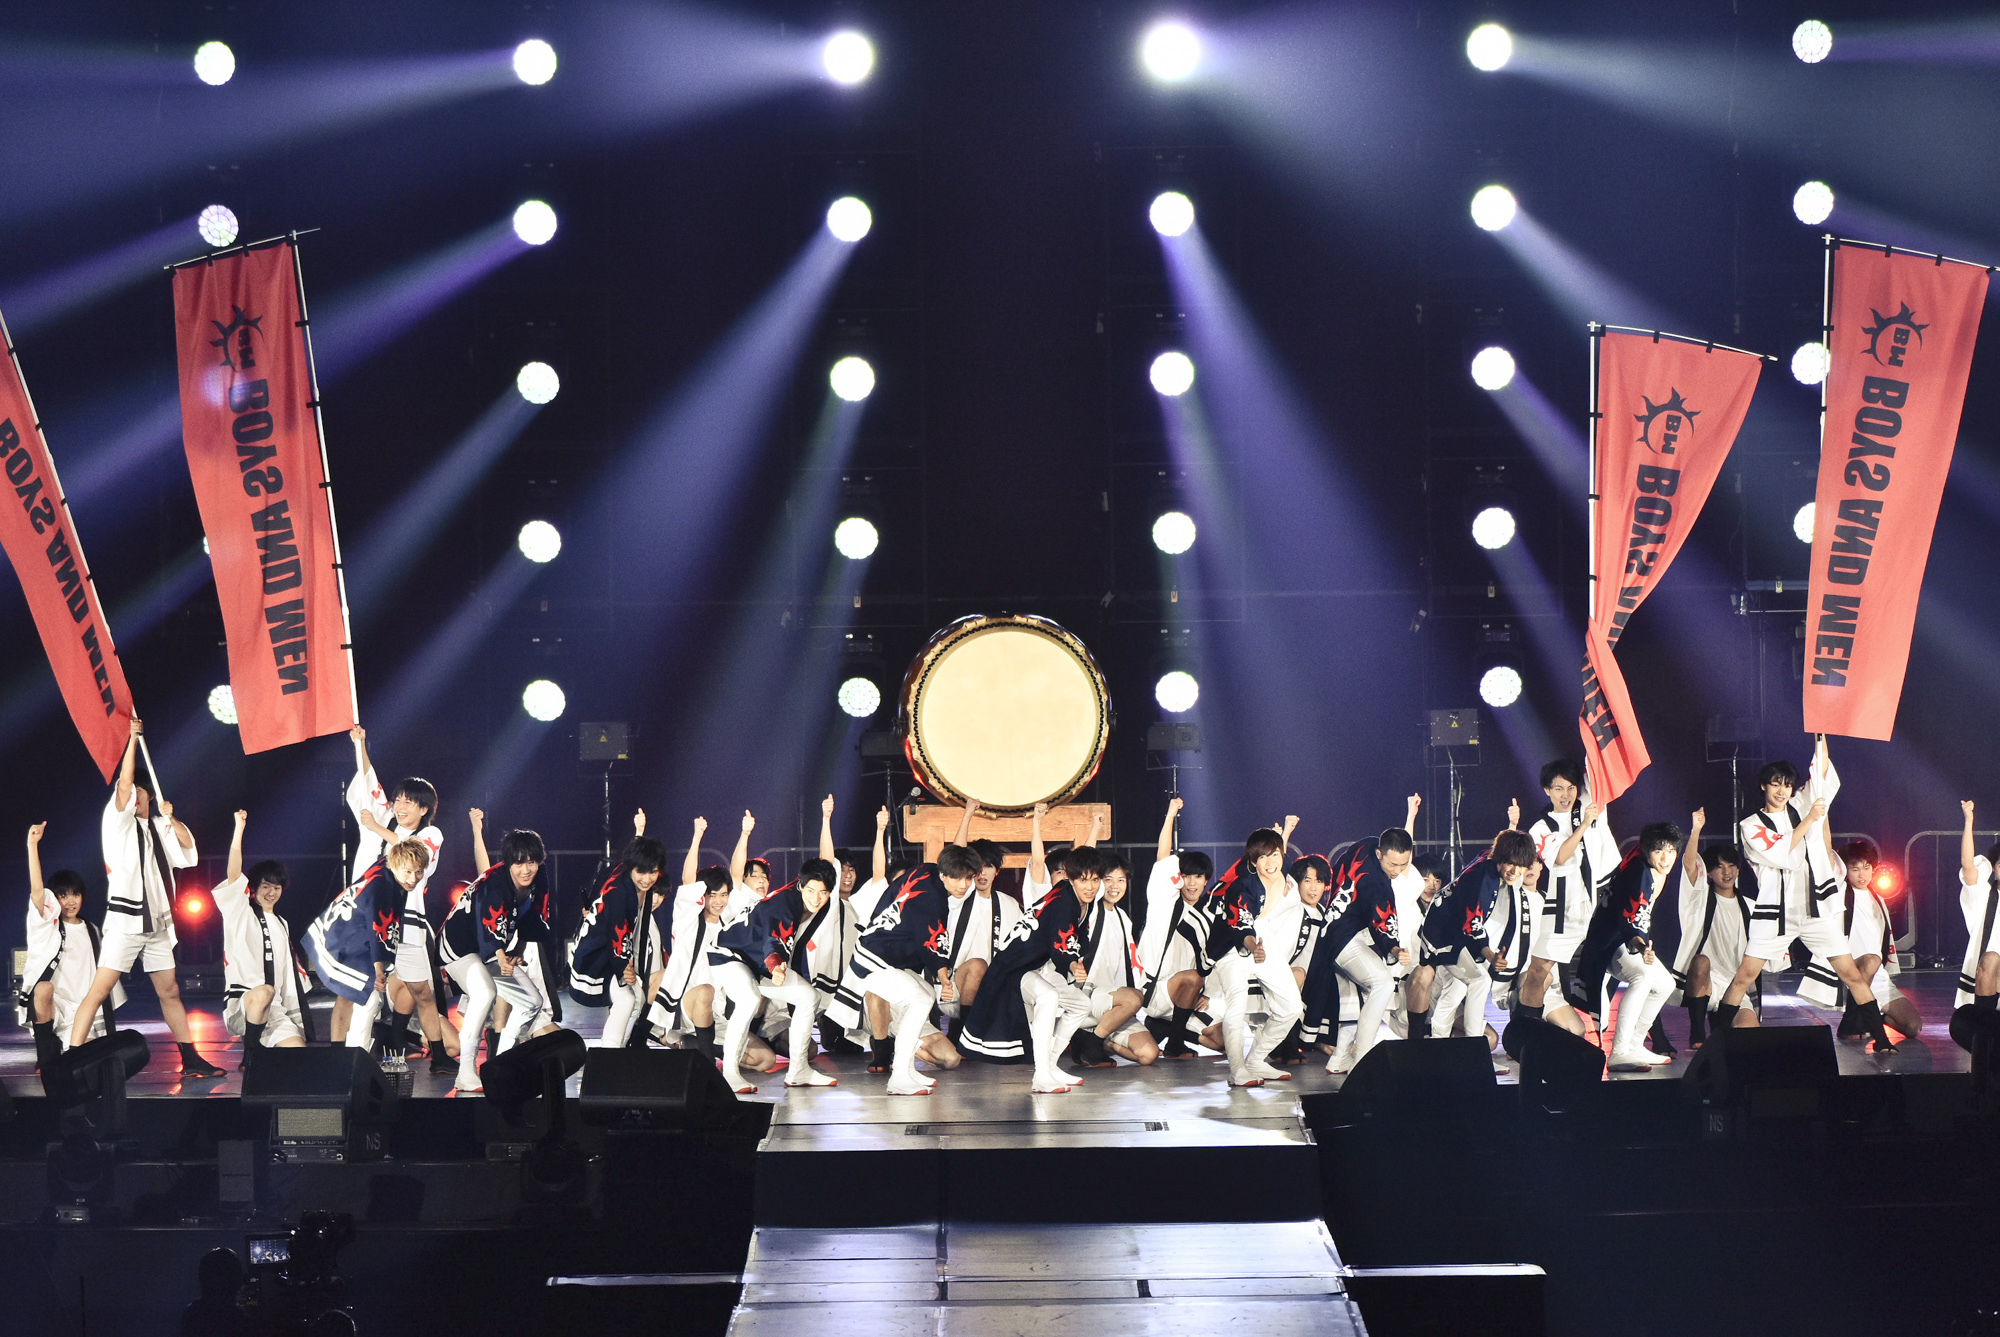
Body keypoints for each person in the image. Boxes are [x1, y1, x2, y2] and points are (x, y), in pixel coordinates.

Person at [1714, 739, 1897, 1053]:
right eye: (1775, 784)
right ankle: (1716, 1039)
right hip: (1775, 913)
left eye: (1787, 785)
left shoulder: (1800, 805)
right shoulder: (1751, 825)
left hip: (1816, 909)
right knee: (1745, 976)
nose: (1782, 791)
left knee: (1851, 974)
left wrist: (1820, 736)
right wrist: (1811, 819)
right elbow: (1783, 853)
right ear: (1763, 786)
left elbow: (1821, 775)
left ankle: (1881, 1040)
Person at [69, 719, 220, 1073]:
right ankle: (70, 1060)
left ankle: (190, 1057)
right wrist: (132, 740)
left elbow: (189, 853)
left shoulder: (158, 826)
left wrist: (173, 818)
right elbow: (124, 784)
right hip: (126, 922)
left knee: (170, 992)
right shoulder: (117, 823)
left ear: (150, 796)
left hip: (158, 925)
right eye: (132, 793)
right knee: (100, 991)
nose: (134, 797)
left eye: (141, 793)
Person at [341, 726, 452, 1073]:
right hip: (369, 922)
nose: (400, 806)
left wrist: (377, 829)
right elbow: (368, 779)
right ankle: (353, 1063)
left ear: (424, 809)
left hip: (408, 925)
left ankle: (439, 1055)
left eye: (409, 802)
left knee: (422, 992)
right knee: (366, 996)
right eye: (398, 800)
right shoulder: (382, 818)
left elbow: (413, 856)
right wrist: (360, 744)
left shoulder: (430, 833)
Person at [830, 846, 979, 1096]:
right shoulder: (931, 898)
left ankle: (908, 1069)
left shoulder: (925, 870)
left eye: (969, 878)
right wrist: (943, 973)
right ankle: (899, 1075)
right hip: (875, 960)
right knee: (921, 999)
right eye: (957, 878)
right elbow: (929, 938)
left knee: (925, 994)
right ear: (944, 874)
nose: (964, 885)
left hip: (881, 952)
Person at [962, 845, 1108, 1093]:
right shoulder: (1063, 902)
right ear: (1071, 878)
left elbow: (1073, 938)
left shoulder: (1080, 898)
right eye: (1083, 880)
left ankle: (1050, 1065)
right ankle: (1041, 1075)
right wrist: (1073, 963)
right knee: (1048, 997)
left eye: (1095, 880)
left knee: (1080, 1005)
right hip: (1013, 969)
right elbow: (1060, 941)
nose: (1090, 887)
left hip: (1037, 966)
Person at [711, 838, 845, 1094]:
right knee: (749, 999)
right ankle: (729, 1073)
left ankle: (798, 1070)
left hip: (757, 961)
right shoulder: (786, 902)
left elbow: (792, 942)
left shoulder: (817, 900)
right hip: (729, 954)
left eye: (823, 892)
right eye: (811, 891)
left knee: (809, 997)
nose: (816, 898)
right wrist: (776, 964)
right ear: (800, 884)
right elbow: (773, 937)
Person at [439, 812, 554, 1092]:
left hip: (492, 949)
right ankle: (466, 1073)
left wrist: (515, 953)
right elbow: (488, 929)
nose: (526, 869)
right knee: (485, 992)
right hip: (459, 946)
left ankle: (502, 1063)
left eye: (532, 862)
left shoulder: (539, 879)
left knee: (532, 1001)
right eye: (519, 863)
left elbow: (532, 923)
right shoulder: (495, 883)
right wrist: (501, 955)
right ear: (508, 862)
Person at [1568, 822, 1682, 1071]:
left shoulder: (1642, 859)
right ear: (1647, 850)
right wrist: (1642, 948)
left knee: (1665, 984)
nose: (1665, 858)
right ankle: (1619, 1052)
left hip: (1619, 938)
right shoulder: (1640, 874)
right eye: (1659, 851)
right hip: (1608, 943)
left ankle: (1634, 1044)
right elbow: (1630, 921)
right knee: (1643, 975)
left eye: (1671, 851)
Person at [1408, 830, 1537, 1050]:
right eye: (1510, 863)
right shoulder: (1485, 879)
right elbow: (1472, 923)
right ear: (1501, 858)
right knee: (1480, 981)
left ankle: (1440, 1045)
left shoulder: (1490, 861)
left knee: (1457, 987)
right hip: (1443, 934)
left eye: (1521, 866)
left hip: (1451, 931)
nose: (1515, 871)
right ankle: (1474, 1048)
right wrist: (1490, 955)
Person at [1519, 760, 1619, 1040]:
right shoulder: (1540, 828)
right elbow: (1560, 857)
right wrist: (1585, 824)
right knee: (1538, 971)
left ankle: (1643, 1040)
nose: (1566, 794)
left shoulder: (1589, 802)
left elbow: (1596, 761)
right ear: (1546, 790)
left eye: (1571, 787)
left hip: (1603, 905)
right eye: (1559, 788)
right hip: (1565, 910)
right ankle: (1526, 1035)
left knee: (1638, 970)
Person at [303, 838, 433, 1049]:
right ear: (395, 865)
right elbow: (376, 929)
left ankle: (341, 1053)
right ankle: (355, 1054)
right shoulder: (381, 888)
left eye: (419, 872)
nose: (413, 878)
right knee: (368, 998)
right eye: (408, 872)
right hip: (345, 937)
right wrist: (379, 970)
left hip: (345, 932)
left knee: (349, 995)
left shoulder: (386, 865)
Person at [1302, 831, 1412, 1075]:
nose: (1396, 870)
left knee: (1357, 999)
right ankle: (1362, 1059)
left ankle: (1339, 1058)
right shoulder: (1377, 883)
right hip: (1342, 938)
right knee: (1382, 984)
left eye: (1403, 864)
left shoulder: (1365, 845)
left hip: (1334, 931)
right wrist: (1395, 948)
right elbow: (1383, 923)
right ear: (1379, 854)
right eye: (1392, 864)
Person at [1804, 837, 1922, 1043]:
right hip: (1850, 973)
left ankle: (1871, 1018)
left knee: (1912, 1027)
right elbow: (1826, 855)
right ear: (1845, 870)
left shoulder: (1878, 899)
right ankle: (1851, 1021)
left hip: (1877, 978)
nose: (1862, 874)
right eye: (1855, 869)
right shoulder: (1838, 892)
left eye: (1867, 868)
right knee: (1870, 960)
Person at [567, 813, 670, 1049]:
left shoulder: (626, 871)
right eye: (641, 872)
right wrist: (625, 968)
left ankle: (617, 1051)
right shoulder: (620, 895)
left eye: (653, 872)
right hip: (595, 956)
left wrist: (639, 831)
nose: (647, 879)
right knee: (626, 999)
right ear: (632, 869)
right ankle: (608, 1056)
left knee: (637, 1000)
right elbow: (617, 933)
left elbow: (633, 855)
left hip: (607, 950)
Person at [24, 822, 121, 1070]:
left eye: (75, 894)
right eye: (63, 895)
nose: (70, 901)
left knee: (101, 1058)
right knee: (43, 988)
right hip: (57, 1010)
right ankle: (47, 1053)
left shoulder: (93, 930)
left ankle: (62, 1053)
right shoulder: (50, 926)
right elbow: (37, 893)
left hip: (85, 1012)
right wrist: (32, 845)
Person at [216, 811, 308, 1069]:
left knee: (300, 1059)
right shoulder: (241, 913)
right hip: (244, 1003)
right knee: (264, 991)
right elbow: (234, 873)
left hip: (274, 1009)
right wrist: (239, 828)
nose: (271, 892)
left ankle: (263, 1054)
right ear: (254, 888)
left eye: (277, 887)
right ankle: (250, 1053)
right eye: (266, 886)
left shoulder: (282, 924)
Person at [1135, 797, 1217, 1059]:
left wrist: (1207, 993)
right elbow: (1163, 858)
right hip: (1156, 991)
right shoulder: (1165, 902)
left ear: (1206, 880)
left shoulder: (1207, 915)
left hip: (1185, 999)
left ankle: (1166, 1029)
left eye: (1198, 876)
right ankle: (1175, 1043)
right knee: (1192, 977)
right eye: (1186, 876)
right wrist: (1170, 815)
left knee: (1222, 1042)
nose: (1191, 883)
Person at [1668, 818, 1755, 1045]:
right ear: (1708, 872)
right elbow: (1689, 866)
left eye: (1731, 866)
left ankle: (1720, 1022)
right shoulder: (1700, 899)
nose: (1726, 872)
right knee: (1700, 961)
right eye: (1719, 866)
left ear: (1738, 869)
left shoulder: (1751, 906)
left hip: (1736, 988)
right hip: (1708, 983)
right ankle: (1697, 1031)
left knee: (1749, 1036)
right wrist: (1695, 829)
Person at [1075, 845, 1158, 1066]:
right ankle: (1092, 1044)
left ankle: (1101, 1042)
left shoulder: (1123, 917)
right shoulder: (1089, 909)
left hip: (1115, 1005)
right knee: (1134, 998)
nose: (1114, 886)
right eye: (1108, 879)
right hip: (1089, 997)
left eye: (1121, 880)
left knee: (1149, 1055)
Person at [1956, 800, 2000, 1014]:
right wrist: (1968, 821)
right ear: (1994, 868)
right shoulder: (1984, 893)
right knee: (1991, 958)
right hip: (1988, 972)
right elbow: (1968, 865)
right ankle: (1984, 1024)